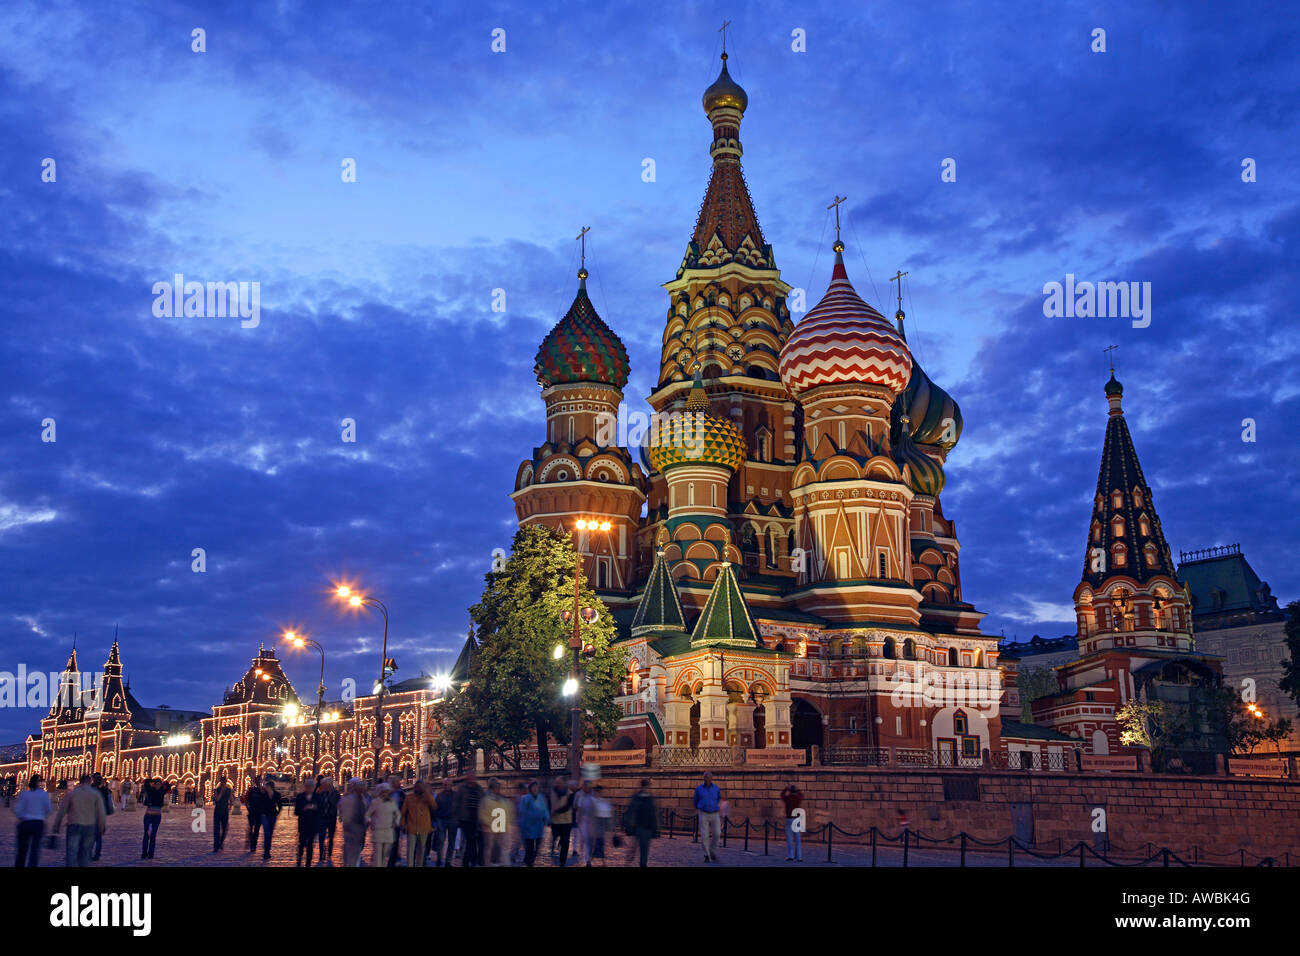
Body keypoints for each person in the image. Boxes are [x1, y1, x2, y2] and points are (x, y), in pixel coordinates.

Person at [51, 773, 107, 867]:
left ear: (80, 782)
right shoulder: (95, 794)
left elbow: (62, 811)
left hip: (74, 825)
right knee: (85, 853)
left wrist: (56, 825)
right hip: (89, 826)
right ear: (90, 782)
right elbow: (101, 812)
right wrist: (102, 826)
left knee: (72, 852)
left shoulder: (73, 793)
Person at [14, 774, 52, 867]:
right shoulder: (43, 794)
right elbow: (48, 809)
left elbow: (18, 810)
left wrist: (22, 817)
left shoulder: (24, 794)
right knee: (35, 849)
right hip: (38, 823)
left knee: (22, 849)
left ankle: (20, 864)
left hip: (25, 823)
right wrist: (41, 815)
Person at [476, 777, 514, 866]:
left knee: (500, 848)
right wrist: (491, 823)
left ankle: (500, 863)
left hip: (501, 829)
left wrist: (505, 823)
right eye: (497, 787)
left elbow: (508, 812)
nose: (498, 789)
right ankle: (488, 864)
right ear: (492, 788)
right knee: (489, 849)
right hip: (489, 830)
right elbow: (482, 814)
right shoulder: (485, 799)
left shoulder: (503, 800)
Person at [624, 779, 660, 868]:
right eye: (645, 787)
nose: (646, 789)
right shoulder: (637, 797)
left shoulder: (650, 798)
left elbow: (654, 813)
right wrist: (628, 825)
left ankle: (643, 863)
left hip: (647, 827)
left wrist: (655, 828)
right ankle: (628, 861)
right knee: (633, 847)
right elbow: (630, 811)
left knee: (645, 848)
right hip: (637, 826)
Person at [400, 780, 436, 866]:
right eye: (417, 786)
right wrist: (403, 824)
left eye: (421, 787)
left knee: (421, 850)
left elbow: (434, 806)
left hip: (424, 828)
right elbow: (403, 813)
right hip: (412, 828)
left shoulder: (427, 797)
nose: (419, 789)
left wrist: (427, 794)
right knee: (410, 850)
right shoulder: (409, 798)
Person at [451, 771, 483, 867]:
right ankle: (467, 861)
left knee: (474, 840)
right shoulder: (462, 788)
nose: (471, 778)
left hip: (476, 818)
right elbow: (456, 803)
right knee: (470, 840)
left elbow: (483, 801)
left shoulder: (478, 788)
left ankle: (473, 859)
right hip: (465, 819)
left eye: (473, 776)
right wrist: (456, 818)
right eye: (470, 776)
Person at [366, 783, 400, 866]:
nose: (385, 793)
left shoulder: (392, 802)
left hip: (388, 832)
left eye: (387, 791)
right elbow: (367, 815)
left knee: (385, 854)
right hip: (378, 831)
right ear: (380, 792)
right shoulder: (375, 802)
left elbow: (398, 814)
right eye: (384, 791)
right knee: (378, 855)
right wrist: (371, 822)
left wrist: (396, 822)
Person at [517, 780, 550, 867]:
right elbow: (522, 811)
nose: (535, 788)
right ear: (530, 788)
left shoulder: (541, 798)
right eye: (533, 787)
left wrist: (546, 818)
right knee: (530, 847)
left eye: (536, 787)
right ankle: (529, 862)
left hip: (539, 827)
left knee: (537, 847)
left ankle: (531, 860)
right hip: (529, 827)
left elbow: (545, 809)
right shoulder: (525, 798)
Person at [293, 778, 323, 867]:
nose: (309, 788)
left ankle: (308, 863)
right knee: (302, 843)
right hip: (303, 825)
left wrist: (315, 808)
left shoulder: (317, 797)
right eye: (307, 786)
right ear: (305, 787)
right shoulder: (300, 796)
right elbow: (296, 812)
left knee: (310, 845)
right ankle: (299, 859)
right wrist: (303, 809)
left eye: (311, 787)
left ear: (313, 787)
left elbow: (321, 810)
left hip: (313, 825)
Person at [339, 777, 368, 867]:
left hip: (359, 829)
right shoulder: (349, 798)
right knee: (353, 852)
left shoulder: (362, 798)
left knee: (355, 851)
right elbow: (342, 810)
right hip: (352, 828)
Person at [693, 771, 722, 863]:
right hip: (703, 813)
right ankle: (707, 854)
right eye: (705, 777)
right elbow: (695, 800)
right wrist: (700, 807)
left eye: (708, 777)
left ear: (711, 778)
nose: (707, 779)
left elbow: (718, 799)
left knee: (717, 833)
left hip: (714, 813)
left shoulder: (716, 789)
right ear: (703, 778)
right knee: (704, 835)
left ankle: (712, 851)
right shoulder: (698, 789)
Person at [138, 777, 170, 860]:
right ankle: (144, 853)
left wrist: (163, 782)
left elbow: (168, 785)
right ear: (154, 784)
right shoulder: (150, 790)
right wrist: (152, 781)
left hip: (157, 816)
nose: (158, 785)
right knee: (146, 834)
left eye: (159, 784)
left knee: (153, 835)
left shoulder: (162, 791)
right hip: (148, 815)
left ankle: (150, 854)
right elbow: (146, 782)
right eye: (156, 784)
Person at [549, 777, 574, 865]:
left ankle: (562, 861)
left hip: (566, 821)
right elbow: (549, 804)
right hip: (555, 821)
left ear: (564, 784)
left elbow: (567, 807)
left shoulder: (570, 794)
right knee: (555, 837)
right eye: (557, 783)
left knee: (565, 842)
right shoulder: (552, 792)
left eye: (560, 783)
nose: (558, 785)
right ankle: (554, 847)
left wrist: (555, 810)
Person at [90, 772, 115, 861]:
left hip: (92, 814)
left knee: (91, 835)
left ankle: (90, 853)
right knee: (98, 835)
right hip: (101, 814)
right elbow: (109, 802)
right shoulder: (105, 790)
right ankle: (97, 854)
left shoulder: (91, 789)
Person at [431, 777, 455, 865]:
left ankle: (448, 861)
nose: (446, 786)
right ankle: (439, 858)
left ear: (451, 785)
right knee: (441, 840)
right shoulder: (439, 795)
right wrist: (435, 820)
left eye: (448, 784)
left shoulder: (455, 795)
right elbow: (435, 808)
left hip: (453, 820)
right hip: (441, 820)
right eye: (444, 784)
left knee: (452, 842)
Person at [316, 776, 339, 865]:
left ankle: (329, 853)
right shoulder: (321, 793)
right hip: (322, 817)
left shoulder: (336, 793)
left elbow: (337, 804)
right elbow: (318, 804)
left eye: (325, 784)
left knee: (331, 837)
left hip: (331, 817)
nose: (324, 786)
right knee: (321, 836)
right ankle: (321, 854)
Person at [781, 782, 804, 862]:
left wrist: (786, 788)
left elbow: (782, 795)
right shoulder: (798, 798)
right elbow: (801, 795)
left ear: (790, 791)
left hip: (789, 819)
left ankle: (790, 856)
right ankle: (799, 857)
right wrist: (797, 789)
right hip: (797, 819)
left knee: (789, 839)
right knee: (798, 839)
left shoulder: (787, 798)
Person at [211, 776, 233, 852]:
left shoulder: (229, 790)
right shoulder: (217, 790)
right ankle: (216, 846)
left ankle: (221, 842)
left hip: (225, 812)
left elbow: (231, 800)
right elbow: (216, 799)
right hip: (217, 811)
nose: (223, 783)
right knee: (216, 829)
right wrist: (221, 792)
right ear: (220, 782)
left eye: (224, 782)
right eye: (222, 782)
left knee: (224, 829)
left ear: (226, 782)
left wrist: (229, 808)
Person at [243, 776, 263, 852]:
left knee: (257, 830)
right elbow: (246, 799)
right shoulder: (251, 790)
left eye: (259, 781)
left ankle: (254, 845)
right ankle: (252, 843)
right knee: (251, 829)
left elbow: (265, 799)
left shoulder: (262, 790)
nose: (258, 782)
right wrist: (248, 807)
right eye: (257, 780)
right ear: (255, 781)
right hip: (252, 812)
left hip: (259, 813)